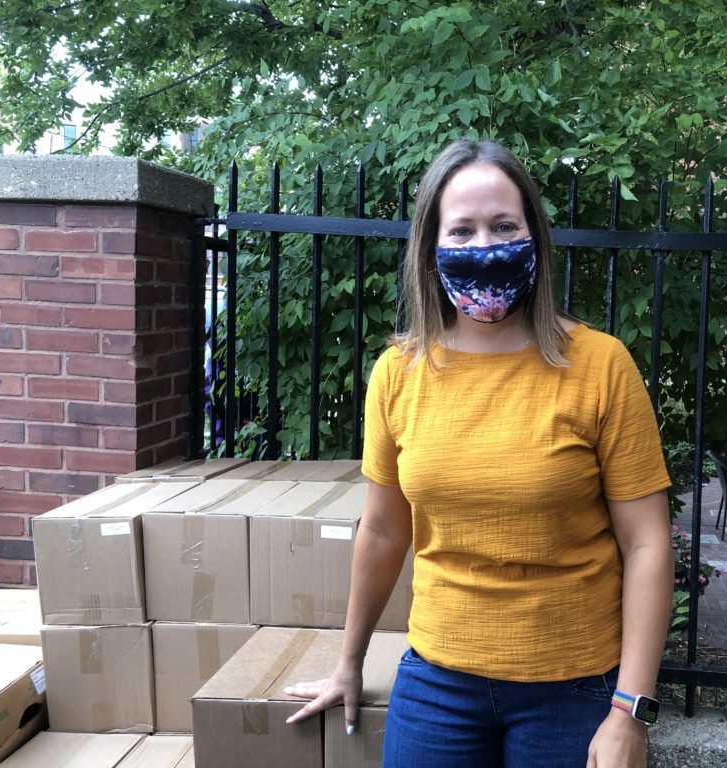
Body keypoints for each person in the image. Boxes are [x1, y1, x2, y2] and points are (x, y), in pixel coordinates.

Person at [284, 139, 673, 768]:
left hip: (573, 688)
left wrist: (630, 711)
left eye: (502, 226)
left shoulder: (600, 366)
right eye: (460, 230)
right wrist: (347, 664)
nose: (482, 246)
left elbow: (649, 545)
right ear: (430, 246)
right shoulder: (399, 372)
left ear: (535, 239)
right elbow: (383, 532)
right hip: (439, 683)